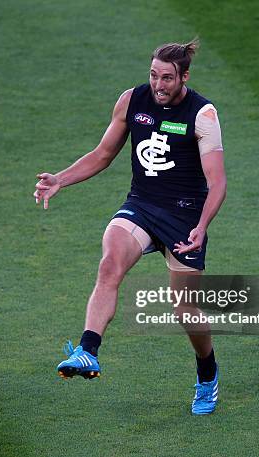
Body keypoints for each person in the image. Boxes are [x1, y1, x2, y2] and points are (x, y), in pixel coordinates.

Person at [33, 39, 227, 415]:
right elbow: (103, 154)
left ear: (184, 77)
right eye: (154, 75)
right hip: (140, 205)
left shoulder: (202, 114)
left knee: (184, 309)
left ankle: (207, 373)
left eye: (168, 78)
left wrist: (202, 225)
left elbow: (216, 181)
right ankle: (88, 349)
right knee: (109, 265)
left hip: (184, 215)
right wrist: (61, 178)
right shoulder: (131, 100)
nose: (159, 84)